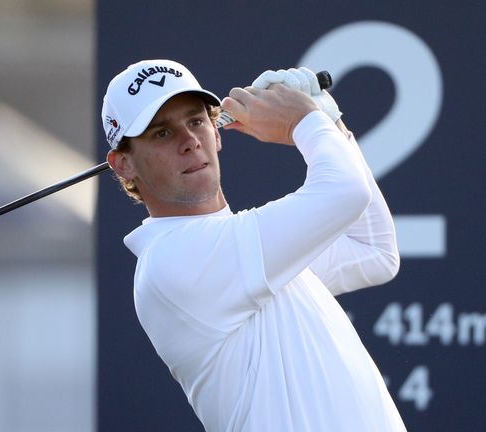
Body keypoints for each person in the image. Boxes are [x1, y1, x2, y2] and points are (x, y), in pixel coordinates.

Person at [101, 59, 406, 431]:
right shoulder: (172, 259)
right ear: (123, 165)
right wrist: (304, 120)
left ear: (217, 132)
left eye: (196, 121)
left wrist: (329, 120)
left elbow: (373, 251)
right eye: (162, 134)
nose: (189, 141)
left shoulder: (248, 252)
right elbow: (345, 190)